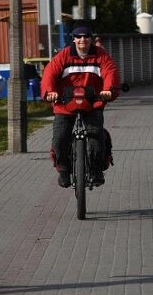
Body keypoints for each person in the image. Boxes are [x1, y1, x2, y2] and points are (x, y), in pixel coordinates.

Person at [42, 23, 121, 188]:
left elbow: (110, 72)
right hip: (65, 104)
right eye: (79, 37)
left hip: (92, 103)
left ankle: (96, 171)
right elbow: (49, 73)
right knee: (60, 138)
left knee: (96, 136)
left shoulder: (101, 56)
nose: (82, 40)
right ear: (74, 39)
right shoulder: (63, 56)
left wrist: (108, 90)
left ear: (91, 39)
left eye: (86, 36)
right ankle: (64, 169)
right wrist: (50, 92)